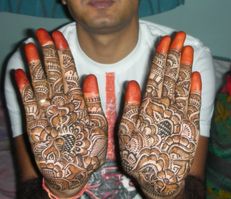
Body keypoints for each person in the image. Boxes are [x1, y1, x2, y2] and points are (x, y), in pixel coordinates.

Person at [4, 0, 215, 198]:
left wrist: (165, 193)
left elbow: (194, 185)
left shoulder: (186, 60)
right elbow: (28, 186)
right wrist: (61, 191)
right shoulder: (31, 65)